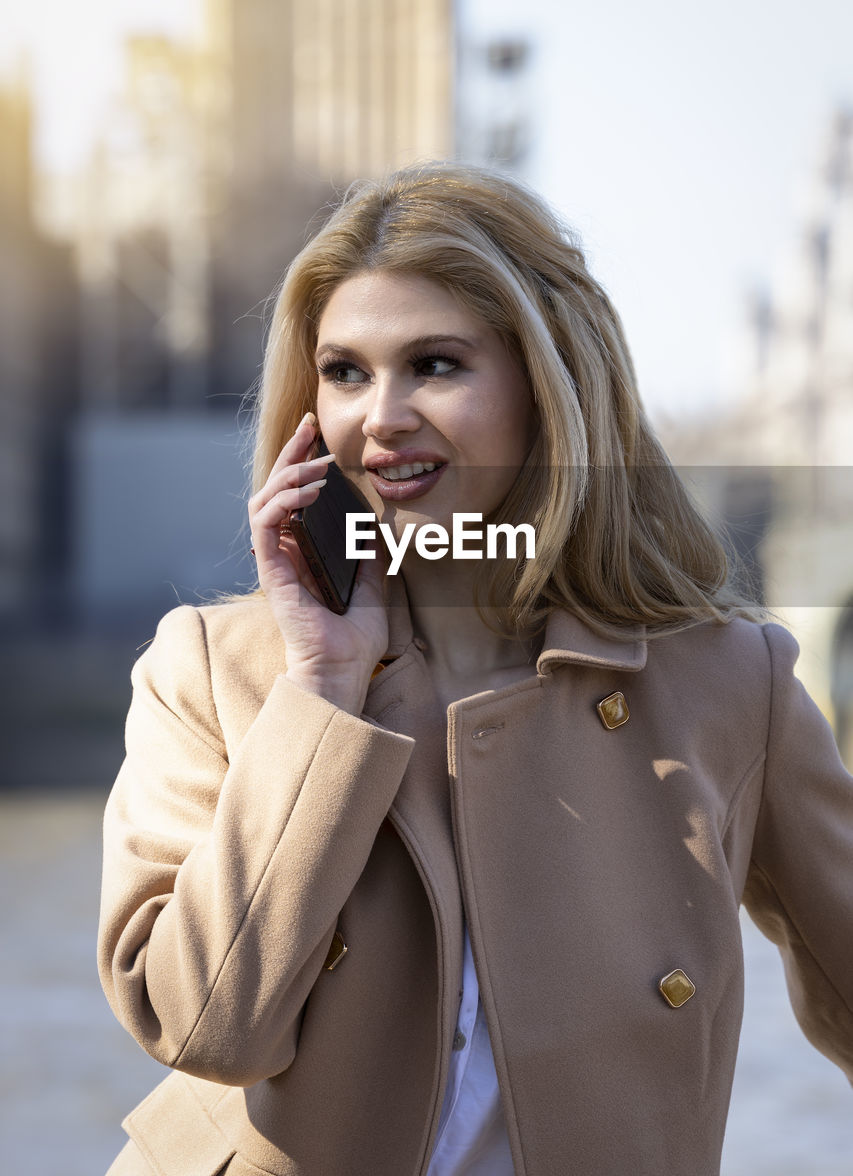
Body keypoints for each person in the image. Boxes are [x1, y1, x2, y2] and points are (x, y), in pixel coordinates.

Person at [98, 162, 853, 1176]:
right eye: (347, 371)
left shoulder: (729, 681)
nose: (383, 416)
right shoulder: (211, 667)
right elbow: (203, 1028)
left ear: (547, 387)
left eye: (437, 364)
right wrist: (321, 691)